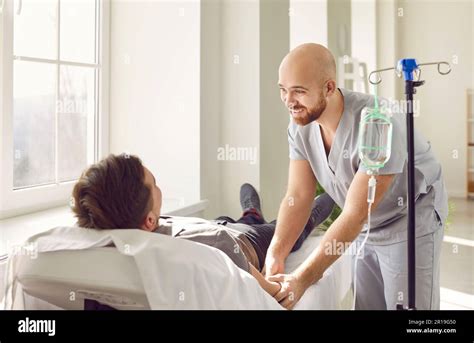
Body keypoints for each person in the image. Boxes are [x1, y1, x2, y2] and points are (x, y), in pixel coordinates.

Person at [265, 43, 447, 310]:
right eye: (283, 90)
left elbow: (354, 214)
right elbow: (299, 195)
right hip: (366, 225)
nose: (289, 101)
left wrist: (301, 280)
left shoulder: (378, 123)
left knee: (408, 309)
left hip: (409, 218)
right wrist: (275, 253)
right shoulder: (300, 125)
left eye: (299, 92)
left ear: (329, 87)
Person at [71, 154, 335, 298]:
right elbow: (272, 292)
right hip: (247, 240)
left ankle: (251, 211)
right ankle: (308, 211)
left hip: (215, 226)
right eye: (156, 185)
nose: (160, 188)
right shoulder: (211, 250)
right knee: (291, 227)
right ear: (149, 221)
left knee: (234, 219)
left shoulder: (120, 232)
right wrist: (292, 283)